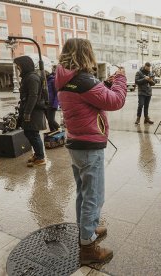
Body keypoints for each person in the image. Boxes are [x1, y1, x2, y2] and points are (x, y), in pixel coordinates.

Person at [56, 38, 127, 266]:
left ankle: (88, 228)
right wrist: (121, 79)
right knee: (93, 196)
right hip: (89, 146)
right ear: (85, 53)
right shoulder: (84, 80)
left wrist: (103, 83)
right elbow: (115, 101)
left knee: (83, 192)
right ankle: (87, 246)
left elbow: (89, 96)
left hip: (76, 142)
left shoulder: (66, 79)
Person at [14, 56, 47, 167]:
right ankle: (37, 155)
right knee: (30, 133)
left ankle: (41, 158)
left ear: (24, 65)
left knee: (33, 134)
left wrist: (27, 113)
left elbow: (33, 96)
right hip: (30, 110)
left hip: (33, 111)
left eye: (19, 66)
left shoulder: (32, 77)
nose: (18, 68)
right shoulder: (27, 77)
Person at [46, 65, 60, 131]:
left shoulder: (53, 80)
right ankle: (53, 134)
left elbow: (57, 93)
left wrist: (55, 105)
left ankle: (60, 131)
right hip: (46, 104)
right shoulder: (44, 81)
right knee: (49, 122)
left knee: (51, 121)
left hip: (52, 104)